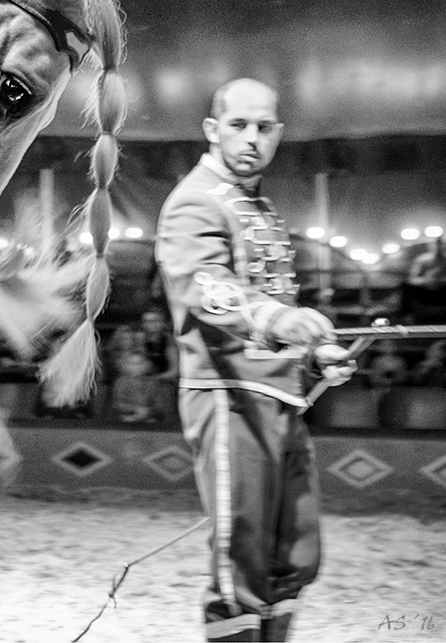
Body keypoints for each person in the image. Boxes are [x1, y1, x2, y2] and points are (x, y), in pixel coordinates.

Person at [155, 78, 356, 643]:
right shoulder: (196, 199)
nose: (252, 138)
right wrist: (277, 321)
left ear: (279, 134)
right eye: (239, 125)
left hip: (279, 397)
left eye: (264, 127)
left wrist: (318, 348)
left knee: (294, 552)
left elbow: (274, 301)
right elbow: (207, 288)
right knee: (238, 559)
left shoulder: (257, 206)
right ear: (211, 129)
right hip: (229, 400)